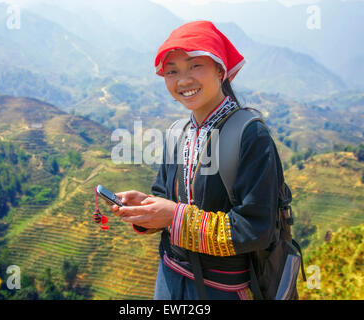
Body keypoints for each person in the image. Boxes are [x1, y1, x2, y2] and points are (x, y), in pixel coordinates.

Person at [109, 20, 284, 300]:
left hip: (222, 289)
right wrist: (145, 208)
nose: (183, 80)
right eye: (172, 71)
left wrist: (174, 215)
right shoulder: (177, 133)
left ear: (220, 69)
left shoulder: (250, 135)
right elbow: (163, 196)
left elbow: (256, 228)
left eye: (194, 66)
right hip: (168, 277)